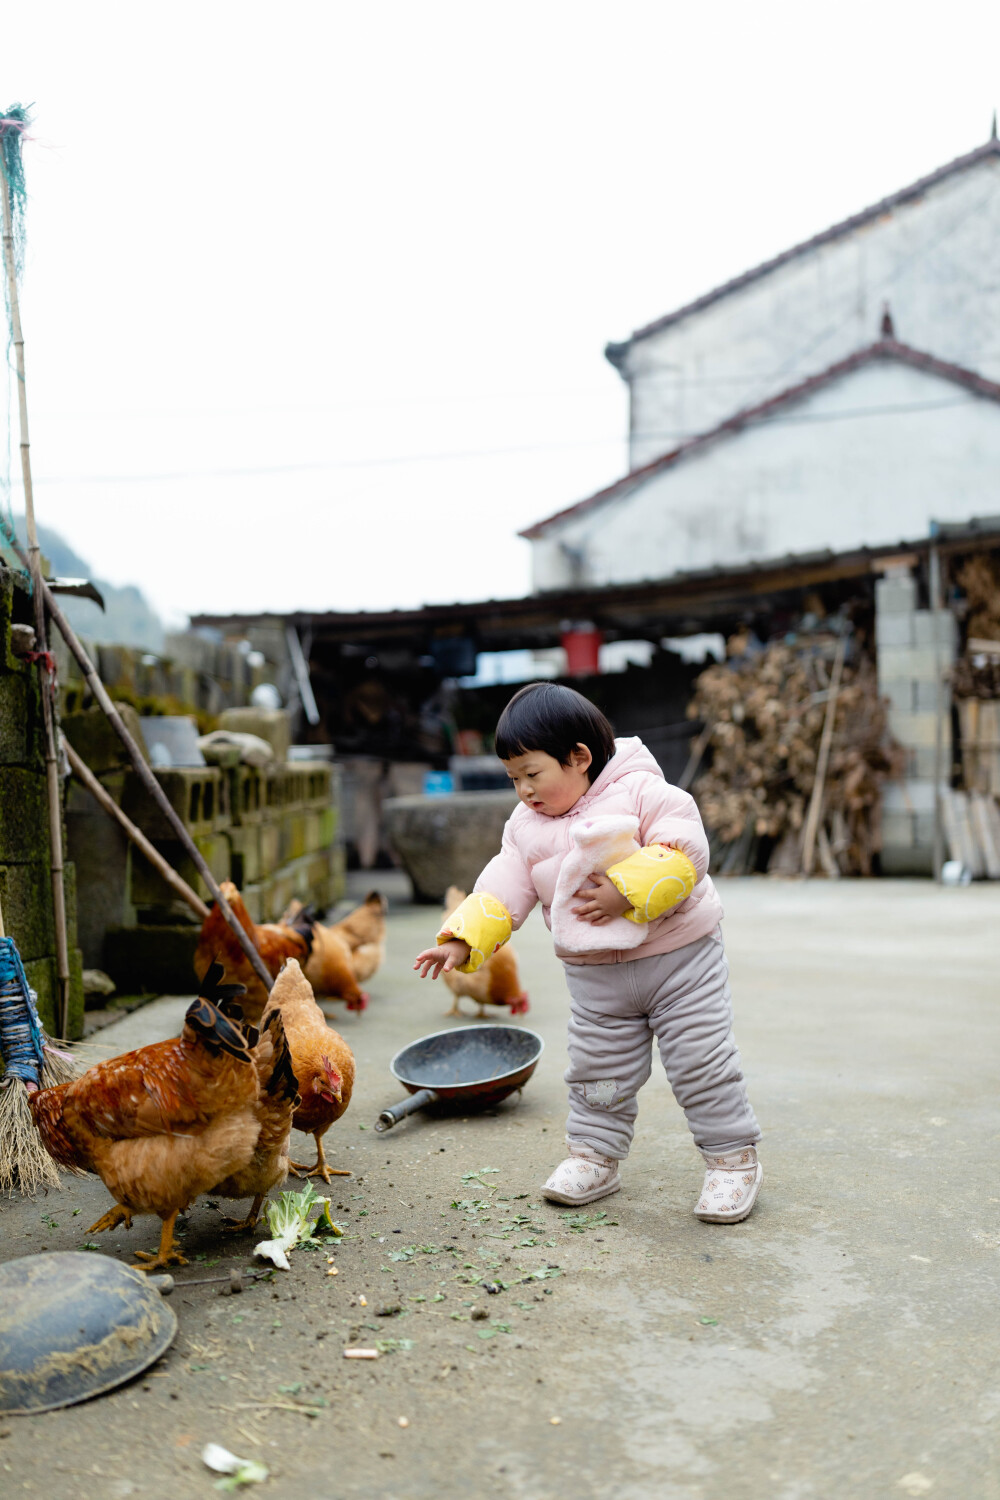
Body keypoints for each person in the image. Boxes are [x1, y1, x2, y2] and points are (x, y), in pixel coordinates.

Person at [413, 681, 762, 1220]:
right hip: (597, 977)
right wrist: (463, 939)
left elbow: (685, 844)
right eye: (514, 779)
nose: (524, 790)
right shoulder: (525, 827)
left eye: (533, 774)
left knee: (700, 1063)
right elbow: (503, 885)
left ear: (579, 757)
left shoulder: (642, 789)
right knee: (599, 1070)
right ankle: (595, 1156)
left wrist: (628, 888)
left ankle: (731, 1160)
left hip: (679, 960)